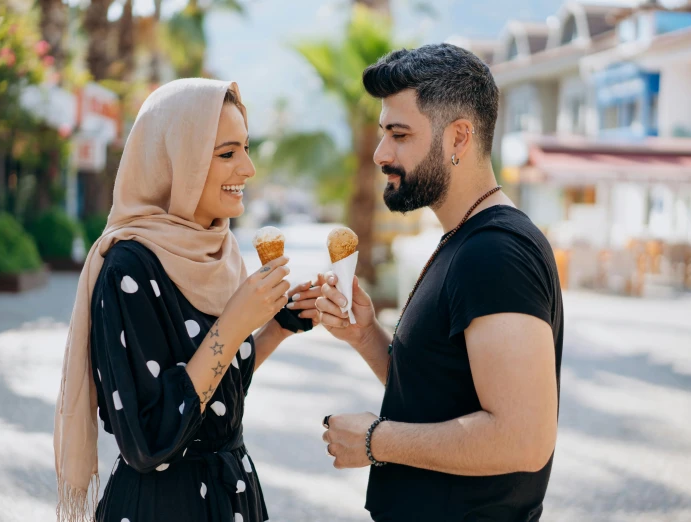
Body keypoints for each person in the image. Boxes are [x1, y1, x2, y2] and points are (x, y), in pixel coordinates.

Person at [303, 44, 564, 521]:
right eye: (384, 133)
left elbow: (523, 439)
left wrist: (373, 440)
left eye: (399, 134)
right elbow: (443, 394)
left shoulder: (495, 252)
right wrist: (364, 336)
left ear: (459, 137)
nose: (381, 153)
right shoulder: (465, 239)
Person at [53, 79, 322, 522]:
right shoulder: (128, 267)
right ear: (178, 161)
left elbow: (215, 392)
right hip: (165, 505)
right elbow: (148, 441)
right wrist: (234, 323)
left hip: (232, 495)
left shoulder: (219, 251)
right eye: (227, 153)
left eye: (246, 148)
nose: (249, 169)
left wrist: (277, 326)